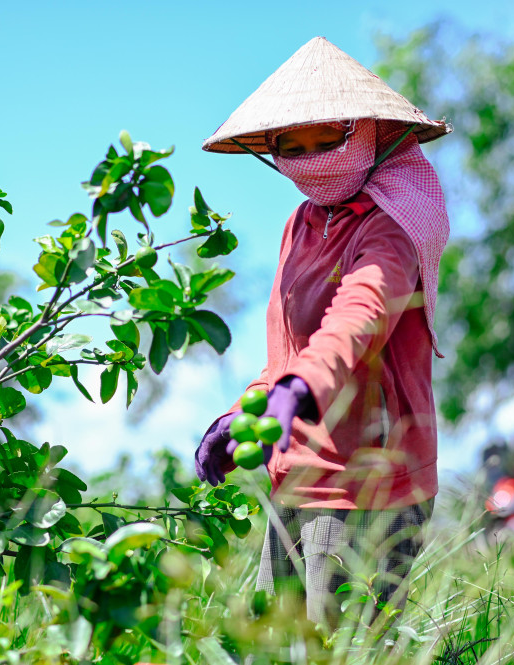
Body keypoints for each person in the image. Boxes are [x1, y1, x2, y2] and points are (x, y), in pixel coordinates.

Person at [195, 36, 451, 630]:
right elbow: (289, 351)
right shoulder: (303, 223)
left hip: (366, 482)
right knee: (274, 643)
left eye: (328, 138)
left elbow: (354, 322)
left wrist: (298, 393)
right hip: (297, 473)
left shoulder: (392, 225)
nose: (312, 157)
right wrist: (242, 412)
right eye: (293, 146)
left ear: (367, 132)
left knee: (342, 649)